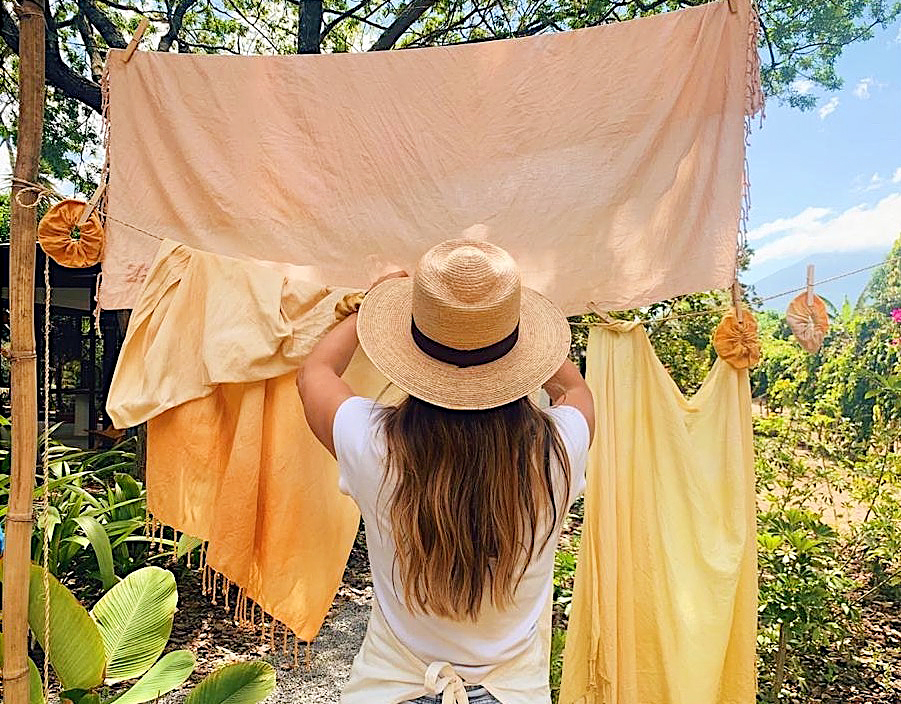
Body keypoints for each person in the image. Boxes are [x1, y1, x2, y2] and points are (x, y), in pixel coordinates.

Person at [297, 239, 594, 704]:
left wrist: (367, 308)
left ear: (412, 356)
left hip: (390, 689)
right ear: (520, 358)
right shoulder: (560, 448)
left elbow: (315, 373)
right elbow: (573, 388)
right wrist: (510, 327)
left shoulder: (374, 443)